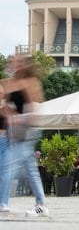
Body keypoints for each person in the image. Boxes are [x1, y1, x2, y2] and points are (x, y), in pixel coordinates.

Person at [0, 55, 49, 217]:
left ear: (23, 65)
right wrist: (10, 116)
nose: (14, 65)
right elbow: (6, 107)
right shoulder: (9, 83)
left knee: (8, 165)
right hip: (14, 131)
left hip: (27, 129)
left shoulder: (30, 82)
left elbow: (35, 105)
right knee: (30, 169)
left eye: (18, 63)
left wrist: (24, 121)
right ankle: (41, 203)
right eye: (13, 62)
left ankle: (4, 202)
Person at [0, 84, 12, 213]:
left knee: (6, 173)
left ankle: (3, 203)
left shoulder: (6, 109)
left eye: (1, 92)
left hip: (5, 142)